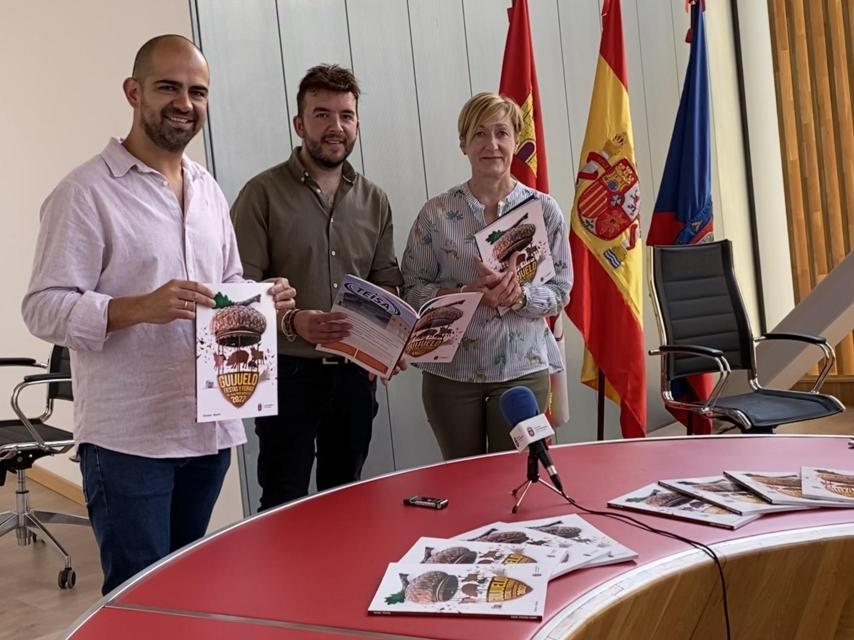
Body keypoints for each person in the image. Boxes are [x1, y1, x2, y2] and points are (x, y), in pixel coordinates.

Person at [21, 35, 295, 594]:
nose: (184, 102)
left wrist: (258, 297)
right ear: (133, 91)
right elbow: (42, 307)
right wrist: (135, 309)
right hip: (129, 440)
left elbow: (228, 283)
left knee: (185, 588)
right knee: (135, 599)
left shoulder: (209, 191)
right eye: (168, 86)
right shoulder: (85, 193)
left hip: (210, 431)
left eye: (197, 91)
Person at [231, 64, 402, 510]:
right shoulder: (261, 194)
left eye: (346, 116)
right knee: (283, 498)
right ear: (300, 124)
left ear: (357, 125)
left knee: (345, 495)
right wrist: (292, 321)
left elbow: (387, 279)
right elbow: (237, 292)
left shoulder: (375, 200)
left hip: (353, 375)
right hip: (287, 373)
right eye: (322, 114)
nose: (335, 127)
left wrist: (389, 345)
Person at [401, 92, 572, 460]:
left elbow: (561, 289)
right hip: (452, 376)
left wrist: (520, 296)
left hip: (523, 370)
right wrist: (465, 293)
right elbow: (411, 289)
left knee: (511, 476)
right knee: (463, 478)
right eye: (479, 134)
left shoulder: (543, 210)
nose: (491, 144)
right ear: (463, 143)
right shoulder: (436, 214)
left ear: (515, 141)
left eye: (501, 133)